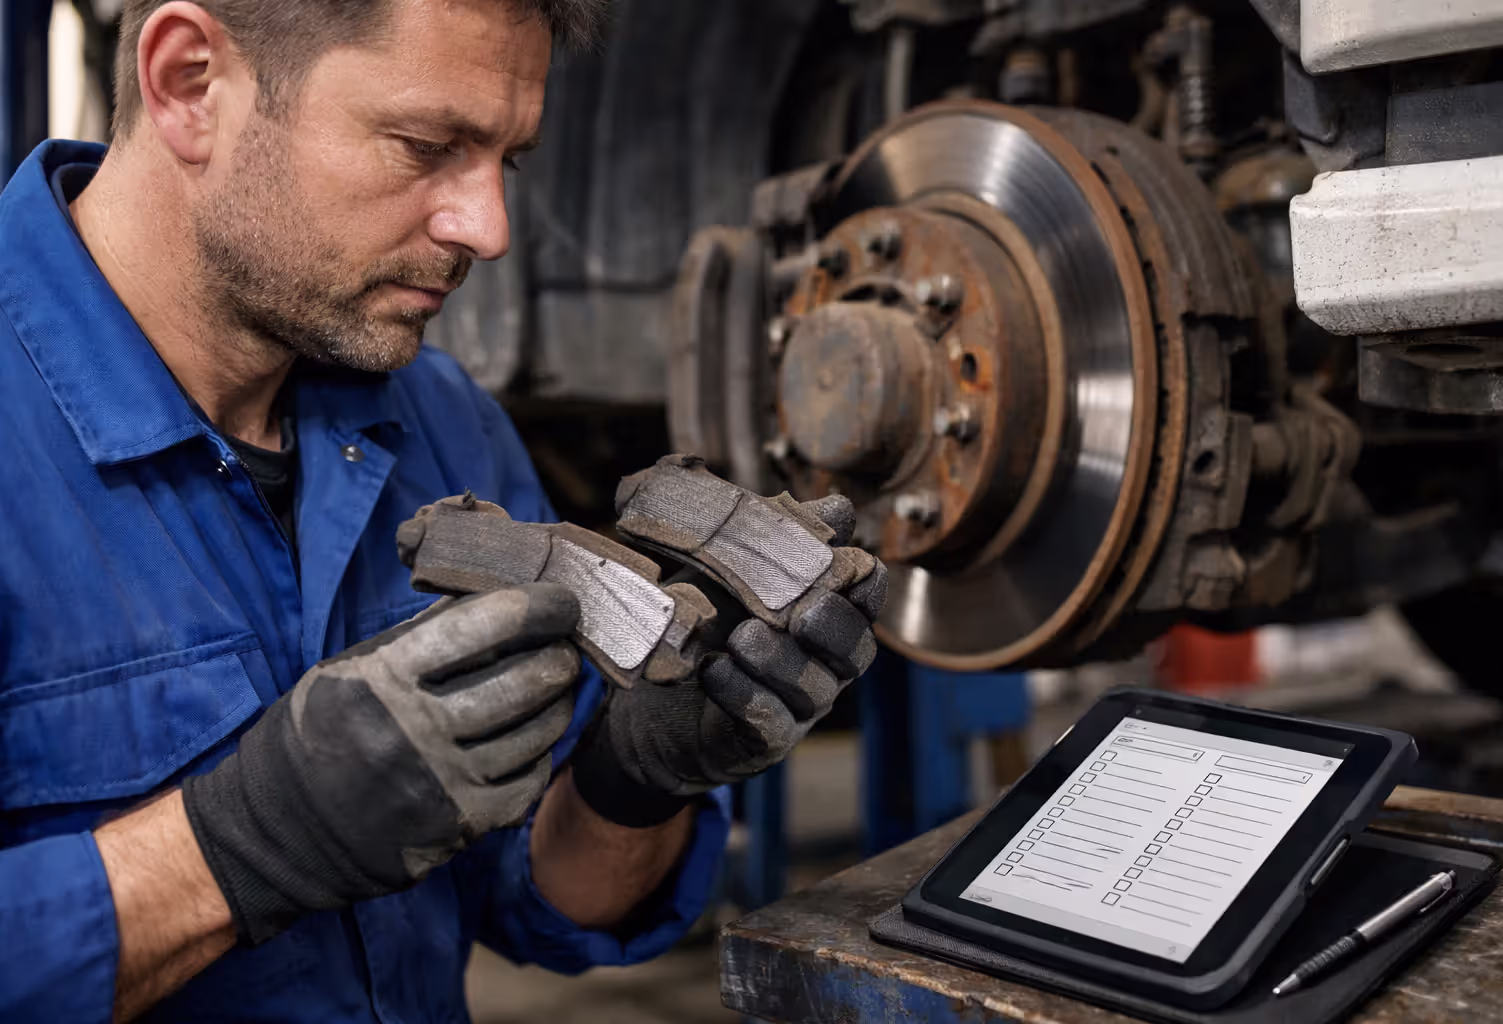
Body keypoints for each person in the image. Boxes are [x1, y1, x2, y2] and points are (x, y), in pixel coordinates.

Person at [0, 1, 885, 1020]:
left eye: (507, 157)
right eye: (428, 145)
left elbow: (544, 897)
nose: (490, 228)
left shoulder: (443, 423)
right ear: (191, 82)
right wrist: (229, 851)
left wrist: (638, 775)